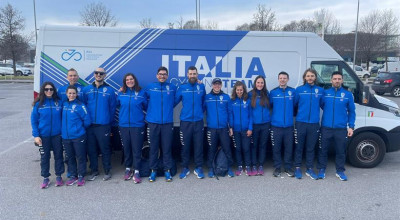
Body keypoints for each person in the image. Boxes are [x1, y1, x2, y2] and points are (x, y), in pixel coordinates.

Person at [317, 71, 355, 181]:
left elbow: (352, 112)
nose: (337, 81)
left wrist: (351, 126)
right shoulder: (325, 93)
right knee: (323, 150)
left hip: (341, 128)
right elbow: (323, 106)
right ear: (331, 80)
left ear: (342, 80)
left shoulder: (348, 95)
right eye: (335, 79)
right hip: (326, 127)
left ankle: (340, 171)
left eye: (339, 79)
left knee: (340, 151)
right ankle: (321, 169)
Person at [82, 67, 117, 181]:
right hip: (90, 125)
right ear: (94, 74)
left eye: (101, 73)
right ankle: (94, 171)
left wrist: (108, 121)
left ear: (105, 75)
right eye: (96, 73)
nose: (98, 75)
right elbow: (83, 107)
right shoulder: (86, 89)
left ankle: (107, 171)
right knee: (91, 149)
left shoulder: (110, 90)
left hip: (103, 125)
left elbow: (112, 108)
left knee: (105, 149)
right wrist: (85, 122)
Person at [145, 66, 177, 182]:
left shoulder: (172, 88)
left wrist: (168, 109)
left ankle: (167, 170)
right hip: (153, 123)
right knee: (153, 148)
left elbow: (176, 101)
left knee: (166, 148)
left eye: (164, 74)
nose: (162, 76)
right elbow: (143, 101)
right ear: (156, 75)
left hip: (167, 123)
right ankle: (153, 171)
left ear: (167, 76)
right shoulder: (150, 87)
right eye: (160, 74)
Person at [31, 82, 64, 188]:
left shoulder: (59, 102)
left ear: (54, 90)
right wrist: (36, 135)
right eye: (46, 89)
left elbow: (64, 119)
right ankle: (46, 178)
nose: (49, 91)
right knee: (45, 157)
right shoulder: (38, 104)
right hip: (43, 136)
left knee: (58, 156)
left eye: (51, 89)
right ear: (43, 91)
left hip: (57, 135)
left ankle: (59, 176)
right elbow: (34, 121)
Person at [175, 66, 206, 179]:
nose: (192, 76)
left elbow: (204, 103)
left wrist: (199, 113)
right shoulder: (182, 88)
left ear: (197, 75)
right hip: (185, 122)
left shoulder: (201, 86)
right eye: (191, 74)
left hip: (198, 121)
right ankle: (185, 167)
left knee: (199, 146)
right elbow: (174, 101)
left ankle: (199, 167)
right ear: (187, 75)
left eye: (194, 74)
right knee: (185, 145)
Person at [293, 68, 324, 180]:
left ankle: (309, 168)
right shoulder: (299, 90)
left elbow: (323, 105)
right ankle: (297, 167)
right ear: (304, 78)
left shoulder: (320, 90)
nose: (310, 78)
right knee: (299, 147)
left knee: (310, 147)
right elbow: (294, 105)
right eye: (308, 76)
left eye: (312, 76)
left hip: (314, 123)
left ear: (315, 77)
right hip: (301, 123)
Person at [117, 73, 147, 184]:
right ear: (125, 82)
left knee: (137, 149)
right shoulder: (121, 93)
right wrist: (118, 92)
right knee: (127, 148)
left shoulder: (141, 92)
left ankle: (137, 171)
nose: (129, 81)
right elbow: (116, 104)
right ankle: (128, 169)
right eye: (127, 80)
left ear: (135, 80)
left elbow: (146, 106)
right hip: (124, 125)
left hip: (137, 125)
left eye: (131, 79)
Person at [204, 78, 235, 178]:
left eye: (218, 84)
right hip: (211, 128)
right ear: (212, 85)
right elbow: (201, 110)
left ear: (221, 85)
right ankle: (211, 168)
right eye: (215, 84)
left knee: (226, 148)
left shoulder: (226, 97)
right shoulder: (207, 97)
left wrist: (230, 127)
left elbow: (230, 112)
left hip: (223, 128)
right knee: (211, 149)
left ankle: (229, 167)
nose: (217, 86)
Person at [61, 86, 91, 186]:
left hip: (78, 136)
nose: (71, 95)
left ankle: (81, 176)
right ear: (66, 94)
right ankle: (73, 176)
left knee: (81, 156)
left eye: (73, 93)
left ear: (76, 94)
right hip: (66, 137)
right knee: (70, 157)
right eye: (69, 93)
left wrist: (79, 129)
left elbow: (87, 120)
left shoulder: (80, 105)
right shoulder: (64, 104)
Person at [270, 71, 296, 177]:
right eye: (280, 78)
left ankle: (288, 168)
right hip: (276, 126)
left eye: (284, 78)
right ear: (278, 79)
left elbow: (295, 106)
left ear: (288, 79)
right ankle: (277, 167)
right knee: (276, 148)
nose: (282, 80)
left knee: (289, 148)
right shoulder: (273, 92)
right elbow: (270, 106)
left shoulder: (293, 92)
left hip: (289, 126)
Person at [229, 81, 253, 176]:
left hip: (246, 129)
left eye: (241, 90)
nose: (239, 91)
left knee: (246, 148)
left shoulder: (248, 101)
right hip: (235, 130)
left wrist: (250, 128)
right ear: (235, 90)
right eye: (238, 90)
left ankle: (247, 166)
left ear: (244, 90)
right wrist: (231, 127)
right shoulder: (232, 101)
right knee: (238, 148)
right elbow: (230, 115)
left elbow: (251, 116)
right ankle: (239, 166)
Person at [248, 76, 271, 176]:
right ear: (255, 83)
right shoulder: (250, 94)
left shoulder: (267, 94)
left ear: (264, 84)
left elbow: (271, 106)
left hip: (265, 124)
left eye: (262, 83)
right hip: (254, 125)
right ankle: (253, 165)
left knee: (263, 145)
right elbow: (248, 111)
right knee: (254, 146)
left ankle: (260, 165)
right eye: (258, 82)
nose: (260, 84)